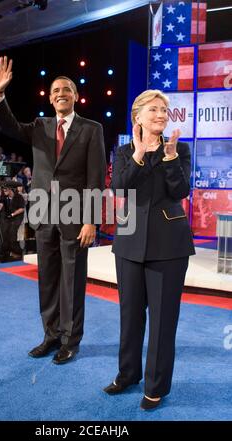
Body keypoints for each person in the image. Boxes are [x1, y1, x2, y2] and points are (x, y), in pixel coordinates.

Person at [0, 56, 106, 364]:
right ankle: (51, 335)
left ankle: (70, 340)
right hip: (43, 215)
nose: (60, 94)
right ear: (50, 97)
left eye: (66, 89)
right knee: (48, 280)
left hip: (75, 218)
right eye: (55, 90)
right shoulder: (40, 126)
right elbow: (8, 126)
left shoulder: (92, 129)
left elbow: (96, 178)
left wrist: (91, 221)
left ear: (75, 96)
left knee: (72, 281)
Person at [104, 90, 195, 410]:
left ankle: (155, 386)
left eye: (165, 110)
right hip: (129, 244)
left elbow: (181, 190)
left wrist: (168, 158)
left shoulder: (178, 149)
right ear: (137, 116)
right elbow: (119, 188)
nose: (161, 114)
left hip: (170, 246)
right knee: (129, 316)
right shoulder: (125, 151)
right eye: (154, 109)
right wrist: (140, 155)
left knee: (162, 321)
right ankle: (127, 374)